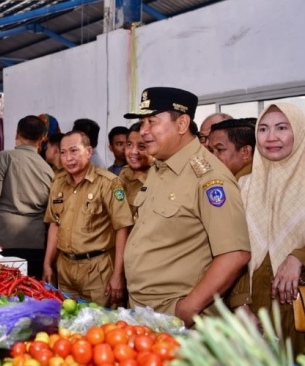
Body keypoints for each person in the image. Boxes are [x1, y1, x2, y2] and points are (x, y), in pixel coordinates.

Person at [123, 87, 250, 326]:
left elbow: (235, 254)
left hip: (175, 318)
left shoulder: (209, 178)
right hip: (143, 311)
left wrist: (188, 309)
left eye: (152, 121)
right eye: (141, 123)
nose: (143, 131)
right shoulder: (159, 168)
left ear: (182, 124)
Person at [230, 103, 305, 352]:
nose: (271, 137)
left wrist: (297, 257)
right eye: (263, 129)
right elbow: (230, 247)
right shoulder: (243, 185)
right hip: (254, 304)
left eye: (282, 128)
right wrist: (240, 302)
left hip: (299, 305)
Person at [43, 130, 133, 306]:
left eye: (74, 151)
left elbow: (122, 229)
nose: (68, 158)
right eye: (63, 152)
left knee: (101, 326)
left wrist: (118, 275)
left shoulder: (109, 183)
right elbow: (55, 224)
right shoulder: (58, 182)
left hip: (98, 271)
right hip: (65, 270)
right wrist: (47, 263)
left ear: (89, 151)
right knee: (68, 325)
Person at [0, 116, 53, 279]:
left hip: (2, 239)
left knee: (1, 293)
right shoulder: (48, 169)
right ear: (42, 139)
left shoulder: (4, 158)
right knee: (28, 293)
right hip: (35, 243)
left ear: (17, 134)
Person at [118, 122, 152, 220]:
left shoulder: (158, 177)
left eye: (141, 146)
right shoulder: (124, 172)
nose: (133, 152)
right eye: (129, 145)